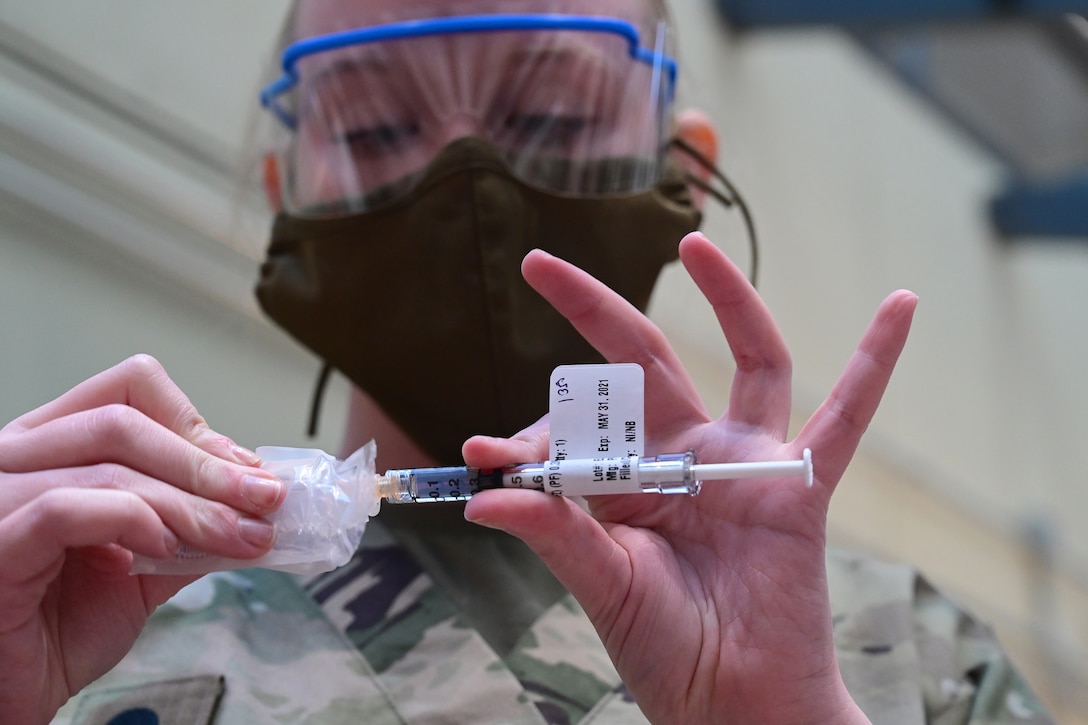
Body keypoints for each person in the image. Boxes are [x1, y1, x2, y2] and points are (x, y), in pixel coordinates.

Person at [0, 1, 1053, 723]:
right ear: (288, 190)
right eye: (372, 128)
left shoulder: (903, 657)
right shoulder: (81, 634)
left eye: (548, 115)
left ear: (682, 172)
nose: (465, 174)